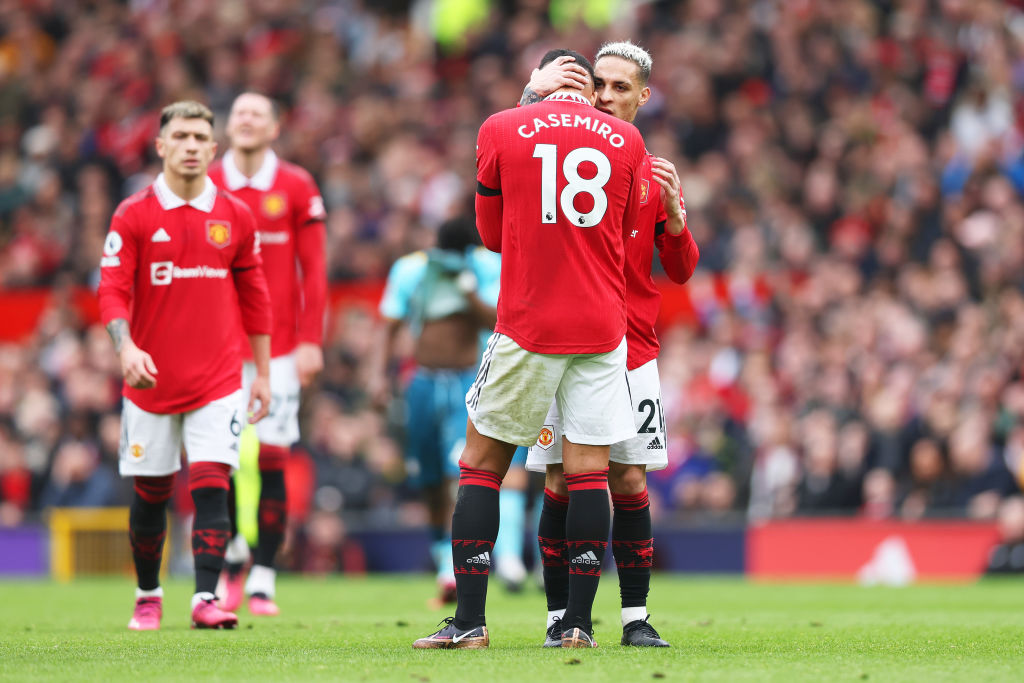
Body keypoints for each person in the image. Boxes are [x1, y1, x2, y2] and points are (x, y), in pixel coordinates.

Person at [412, 48, 645, 650]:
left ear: (541, 80)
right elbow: (619, 234)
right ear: (588, 85)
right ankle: (576, 628)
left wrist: (526, 97)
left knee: (481, 464)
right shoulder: (624, 139)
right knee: (590, 470)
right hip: (600, 325)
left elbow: (489, 235)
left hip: (528, 323)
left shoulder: (502, 126)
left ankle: (469, 622)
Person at [521, 41, 699, 648]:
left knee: (628, 480)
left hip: (632, 348)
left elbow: (680, 270)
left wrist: (675, 217)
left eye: (620, 88)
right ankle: (559, 617)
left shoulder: (652, 171)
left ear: (643, 96)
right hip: (559, 343)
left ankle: (634, 617)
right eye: (598, 83)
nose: (604, 96)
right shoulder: (554, 157)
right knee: (559, 481)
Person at [98, 100, 272, 631]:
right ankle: (148, 594)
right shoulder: (133, 214)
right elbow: (111, 291)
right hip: (149, 382)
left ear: (214, 148)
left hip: (218, 379)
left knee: (212, 483)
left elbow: (256, 296)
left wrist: (261, 372)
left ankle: (204, 598)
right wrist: (125, 349)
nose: (192, 146)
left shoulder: (236, 216)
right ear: (162, 146)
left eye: (201, 137)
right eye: (182, 137)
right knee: (151, 492)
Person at [207, 92, 327, 616]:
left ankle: (264, 576)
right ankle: (231, 559)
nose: (247, 119)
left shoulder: (296, 185)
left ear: (275, 127)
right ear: (227, 127)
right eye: (239, 113)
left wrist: (310, 340)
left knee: (274, 456)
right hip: (216, 348)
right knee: (222, 459)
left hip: (277, 351)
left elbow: (315, 269)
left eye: (258, 113)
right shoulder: (206, 182)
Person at [372, 216, 531, 604]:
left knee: (460, 469)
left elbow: (497, 319)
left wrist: (468, 288)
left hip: (469, 380)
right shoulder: (411, 269)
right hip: (423, 383)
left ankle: (497, 560)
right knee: (428, 477)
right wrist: (379, 375)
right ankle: (445, 555)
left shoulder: (486, 266)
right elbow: (390, 325)